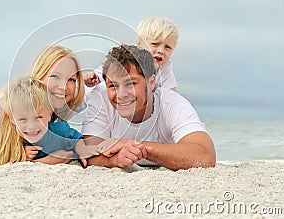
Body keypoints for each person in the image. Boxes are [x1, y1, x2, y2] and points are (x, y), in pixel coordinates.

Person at [81, 45, 216, 171]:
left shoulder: (172, 104)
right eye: (113, 85)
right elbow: (87, 153)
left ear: (151, 82)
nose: (121, 94)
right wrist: (115, 160)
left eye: (130, 83)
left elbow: (205, 156)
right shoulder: (100, 99)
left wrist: (136, 146)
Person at [84, 16, 179, 92]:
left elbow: (172, 94)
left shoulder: (165, 69)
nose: (161, 51)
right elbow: (100, 74)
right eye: (155, 44)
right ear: (139, 44)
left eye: (167, 47)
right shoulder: (126, 59)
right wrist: (92, 78)